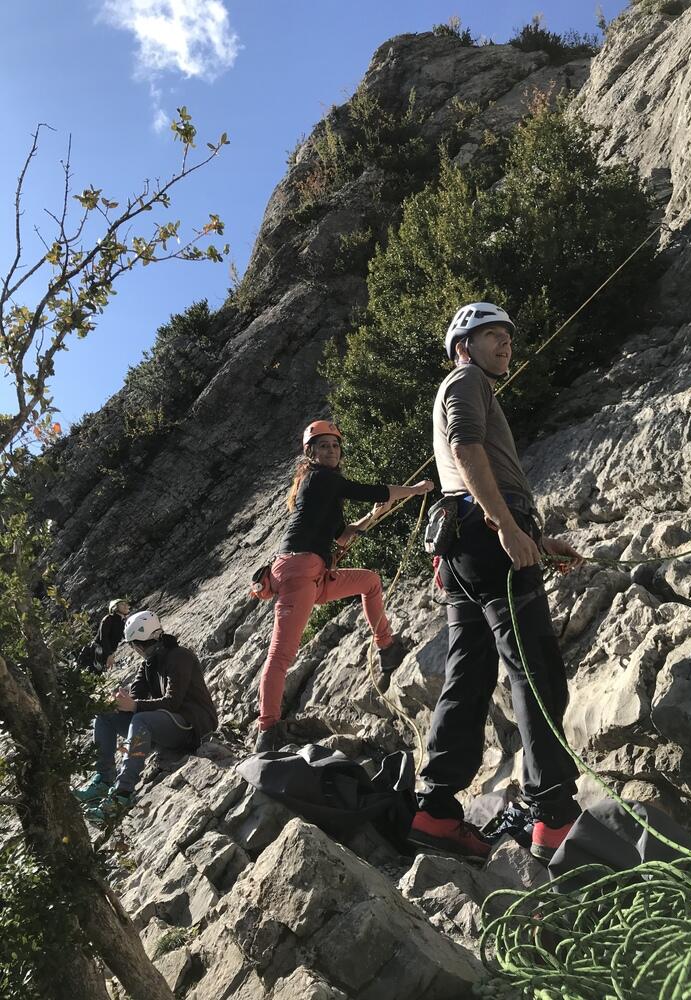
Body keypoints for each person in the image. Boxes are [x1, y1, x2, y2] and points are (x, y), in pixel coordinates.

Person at [409, 302, 584, 862]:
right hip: (488, 536)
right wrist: (508, 527)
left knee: (470, 670)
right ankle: (554, 814)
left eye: (507, 335)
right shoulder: (466, 380)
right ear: (463, 346)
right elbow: (466, 448)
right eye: (491, 335)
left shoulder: (463, 385)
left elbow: (461, 468)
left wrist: (538, 538)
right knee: (533, 664)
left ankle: (435, 810)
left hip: (462, 547)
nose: (505, 342)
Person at [255, 419, 433, 753]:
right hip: (299, 573)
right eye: (324, 446)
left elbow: (342, 535)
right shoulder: (321, 478)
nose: (331, 451)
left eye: (335, 445)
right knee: (280, 655)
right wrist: (415, 489)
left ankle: (387, 649)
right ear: (310, 453)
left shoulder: (325, 488)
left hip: (312, 575)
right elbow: (372, 490)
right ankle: (267, 730)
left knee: (370, 582)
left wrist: (374, 514)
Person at [73, 610, 219, 821]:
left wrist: (133, 705)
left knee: (140, 719)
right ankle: (104, 780)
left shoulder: (180, 656)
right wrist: (121, 702)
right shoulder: (148, 664)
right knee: (105, 714)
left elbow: (172, 702)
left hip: (194, 726)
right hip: (166, 725)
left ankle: (122, 794)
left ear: (137, 645)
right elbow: (136, 696)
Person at [96, 598, 130, 670]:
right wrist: (109, 654)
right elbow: (104, 637)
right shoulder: (108, 619)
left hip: (108, 653)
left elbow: (125, 636)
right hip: (97, 652)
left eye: (126, 604)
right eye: (122, 604)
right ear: (115, 607)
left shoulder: (122, 621)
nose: (126, 606)